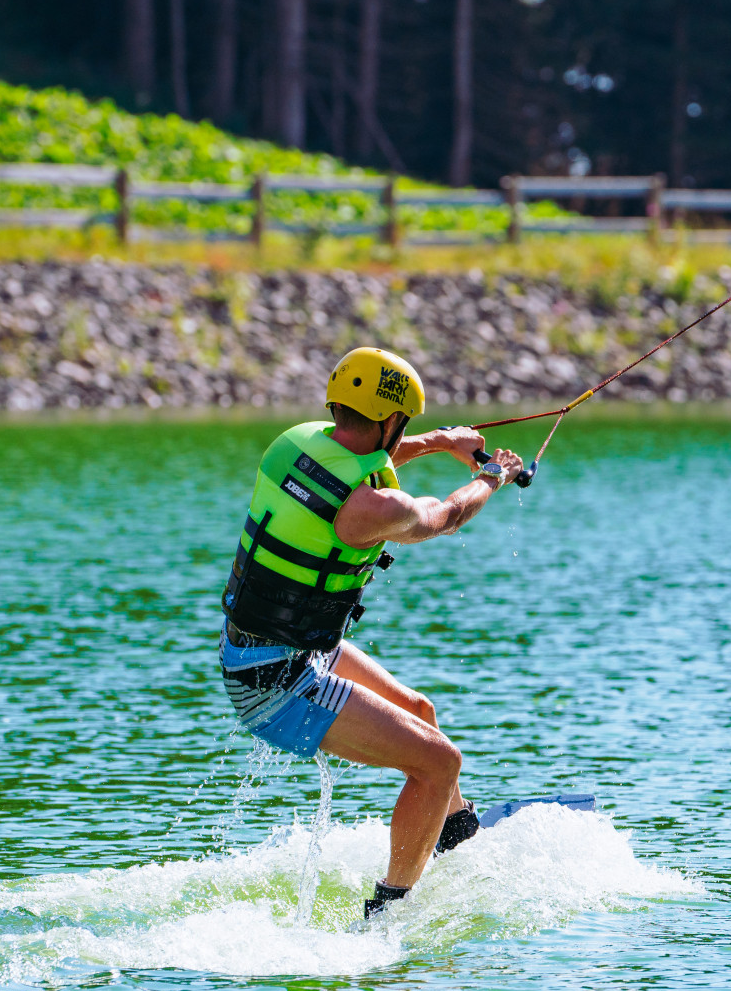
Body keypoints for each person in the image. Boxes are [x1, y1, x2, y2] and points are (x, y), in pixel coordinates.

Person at [218, 348, 526, 921]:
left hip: (265, 650)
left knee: (419, 710)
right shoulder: (372, 509)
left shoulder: (298, 442)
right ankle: (389, 912)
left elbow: (366, 454)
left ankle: (455, 835)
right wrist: (492, 474)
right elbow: (443, 516)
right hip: (276, 679)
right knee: (439, 763)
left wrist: (439, 442)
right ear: (391, 418)